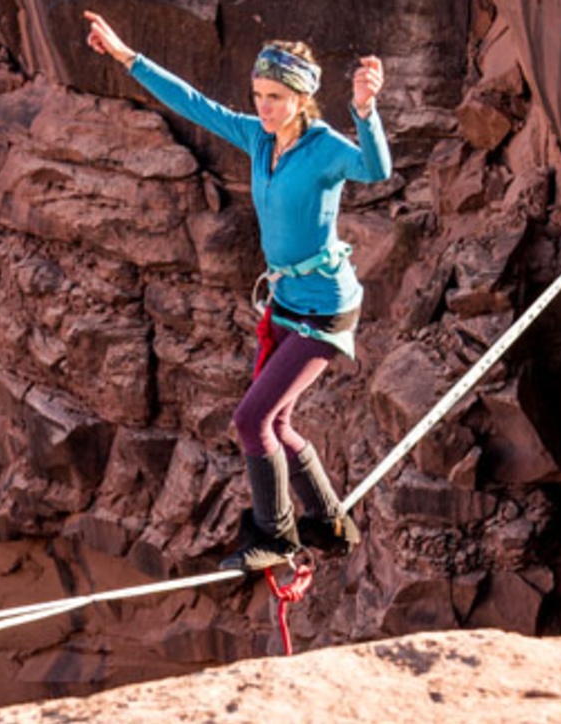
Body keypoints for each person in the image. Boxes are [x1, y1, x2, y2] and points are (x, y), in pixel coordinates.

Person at [84, 12, 392, 571]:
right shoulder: (258, 137)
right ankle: (329, 521)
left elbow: (375, 169)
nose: (263, 107)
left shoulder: (325, 149)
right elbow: (195, 104)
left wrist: (366, 111)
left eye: (275, 96)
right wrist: (126, 56)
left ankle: (276, 539)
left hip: (325, 311)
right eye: (258, 95)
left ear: (302, 97)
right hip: (286, 304)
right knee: (276, 423)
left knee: (252, 421)